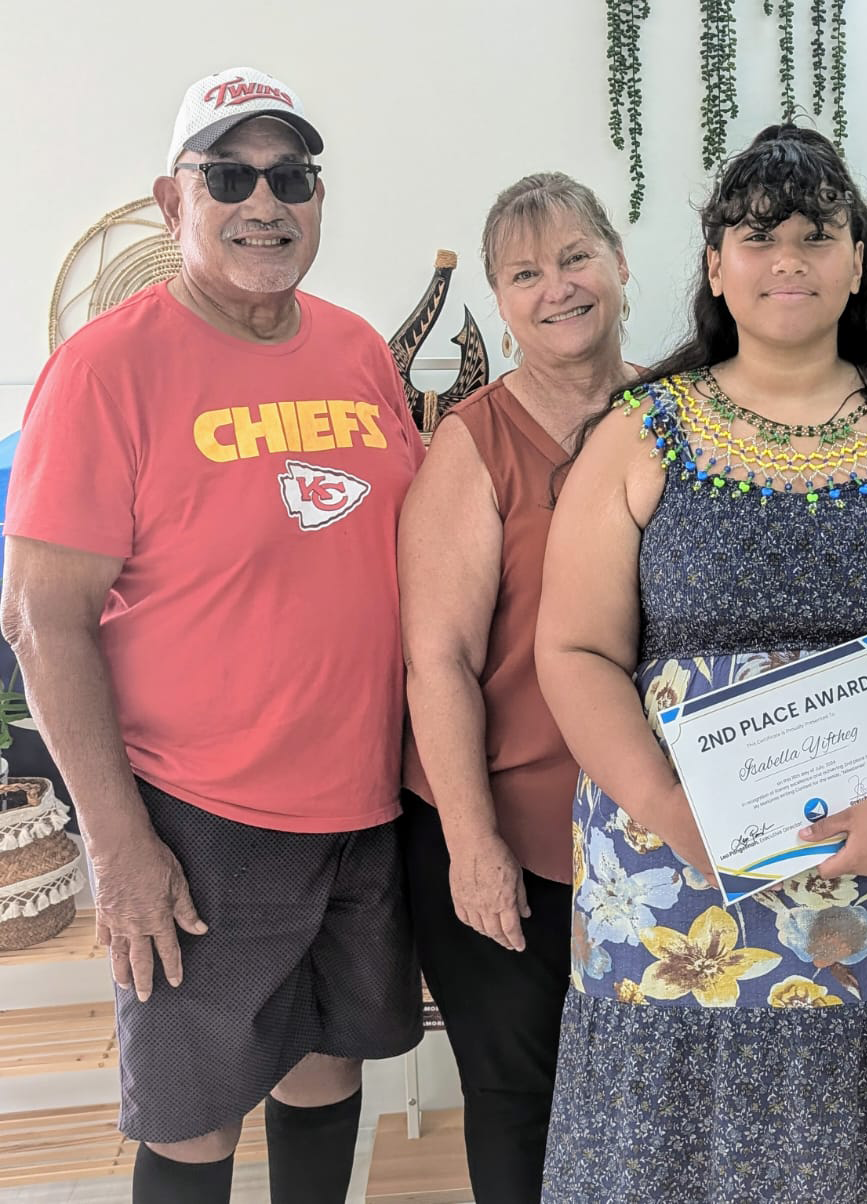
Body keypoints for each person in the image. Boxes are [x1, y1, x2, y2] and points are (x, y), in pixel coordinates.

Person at [534, 124, 867, 1201]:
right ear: (715, 264)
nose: (788, 259)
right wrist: (668, 807)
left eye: (816, 234)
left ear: (859, 260)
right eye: (756, 237)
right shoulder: (639, 430)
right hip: (679, 872)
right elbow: (573, 649)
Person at [0, 67, 424, 1204]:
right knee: (193, 1120)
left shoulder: (357, 351)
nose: (264, 201)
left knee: (329, 1064)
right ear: (170, 200)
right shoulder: (103, 370)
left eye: (291, 176)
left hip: (364, 803)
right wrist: (119, 845)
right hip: (200, 819)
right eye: (228, 175)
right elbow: (41, 620)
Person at [396, 171, 633, 1202]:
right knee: (521, 1099)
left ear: (619, 264)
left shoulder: (683, 412)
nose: (558, 288)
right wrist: (474, 843)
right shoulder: (473, 442)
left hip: (652, 838)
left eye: (575, 257)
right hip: (508, 837)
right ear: (498, 298)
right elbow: (436, 658)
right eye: (525, 273)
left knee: (643, 1093)